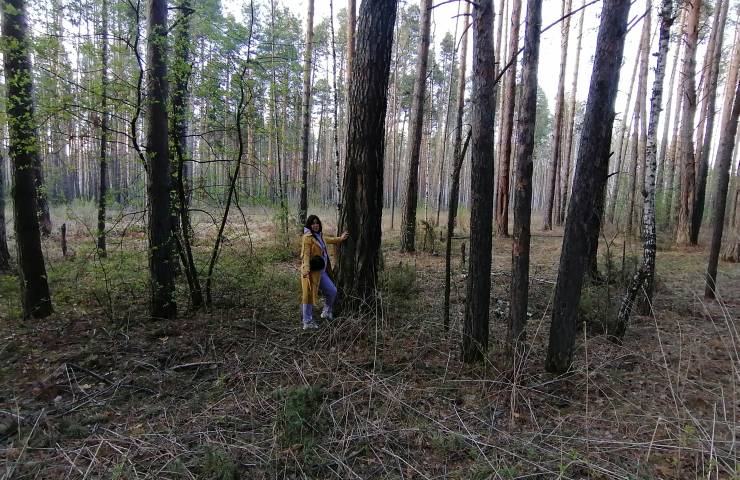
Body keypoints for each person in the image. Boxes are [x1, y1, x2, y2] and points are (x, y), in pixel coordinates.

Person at [300, 215, 349, 330]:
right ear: (309, 225)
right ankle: (307, 322)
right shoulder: (307, 238)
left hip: (322, 272)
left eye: (317, 223)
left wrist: (340, 239)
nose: (315, 225)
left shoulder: (320, 235)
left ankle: (326, 312)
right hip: (310, 273)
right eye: (313, 223)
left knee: (332, 291)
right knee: (308, 296)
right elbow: (305, 255)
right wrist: (306, 269)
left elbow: (329, 240)